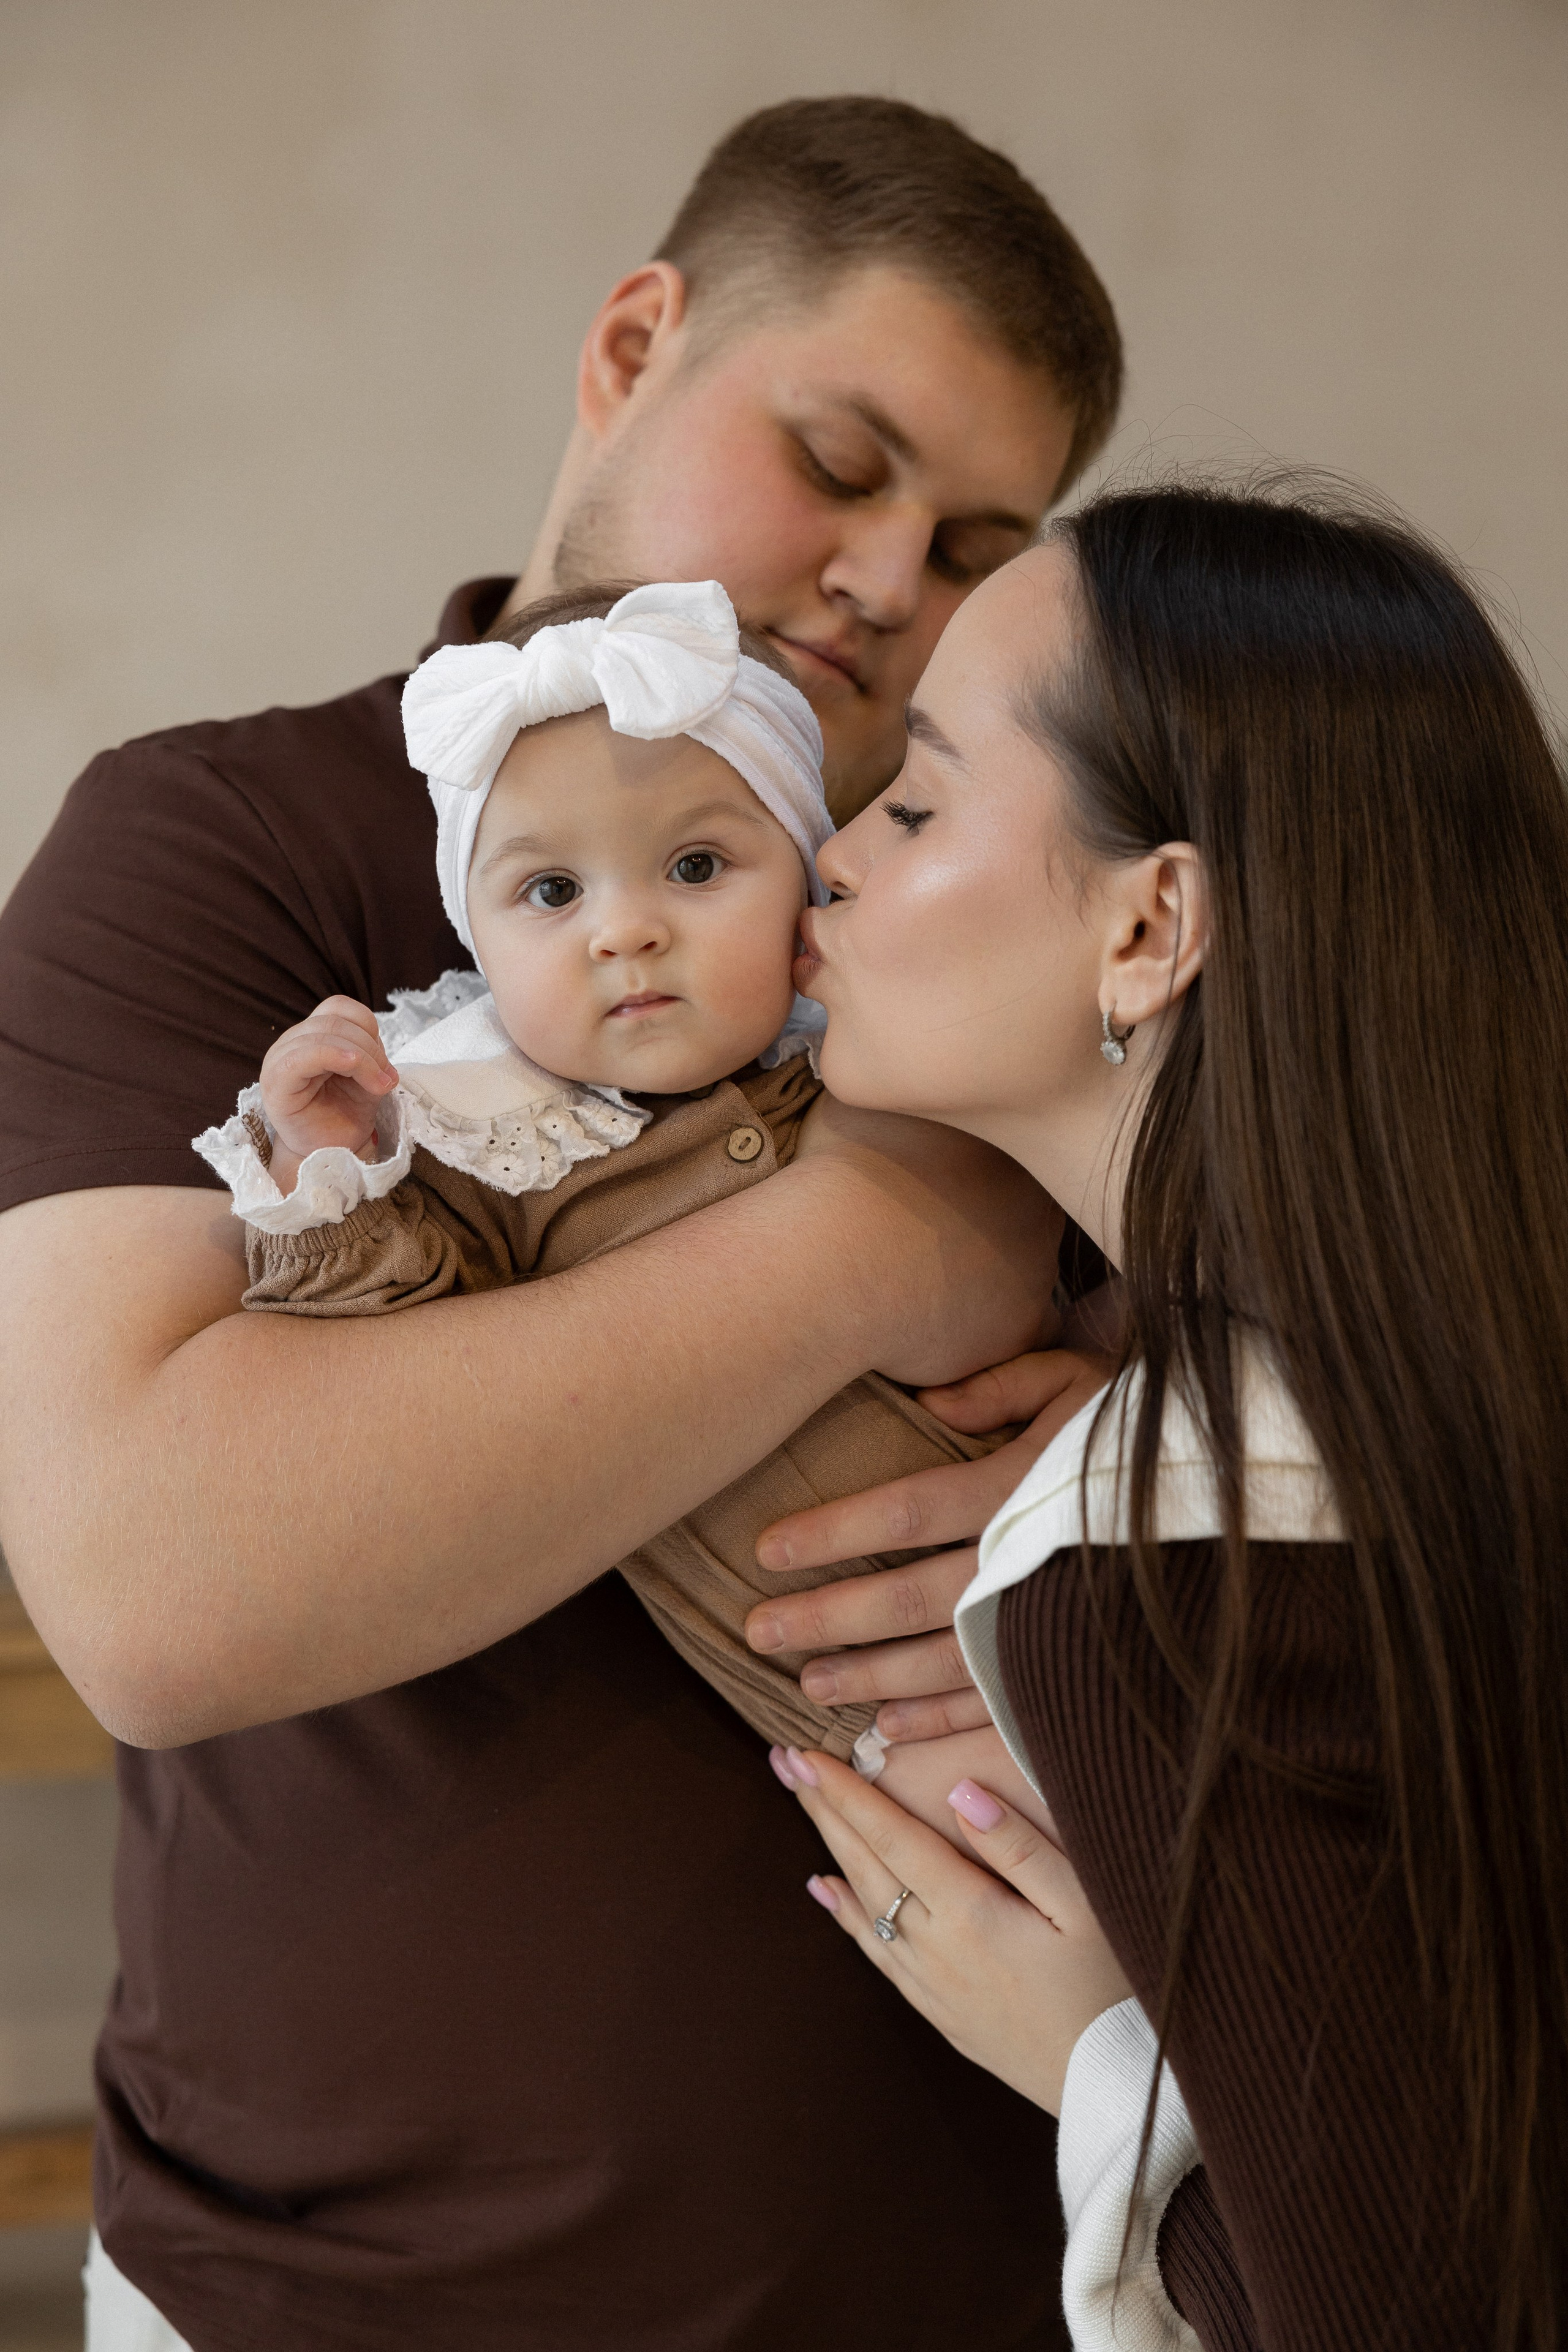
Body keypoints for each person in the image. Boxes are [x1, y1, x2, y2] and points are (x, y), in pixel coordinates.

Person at [0, 98, 1121, 2352]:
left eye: (980, 537)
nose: (896, 576)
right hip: (336, 2301)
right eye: (842, 457)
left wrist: (1112, 1438)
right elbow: (155, 1585)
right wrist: (873, 1248)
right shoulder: (221, 849)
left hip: (1002, 2275)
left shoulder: (1000, 898)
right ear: (633, 348)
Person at [761, 480, 1568, 2349]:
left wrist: (1099, 2073)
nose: (837, 853)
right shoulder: (1447, 1389)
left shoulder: (1174, 1525)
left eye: (922, 796)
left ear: (1152, 930)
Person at [205, 573, 1058, 1835]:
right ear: (474, 940)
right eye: (551, 894)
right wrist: (329, 1172)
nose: (626, 934)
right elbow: (379, 1382)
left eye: (697, 865)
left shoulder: (897, 1042)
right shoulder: (473, 1137)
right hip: (879, 1720)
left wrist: (1128, 1366)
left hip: (1101, 1565)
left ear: (806, 875)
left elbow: (1136, 1197)